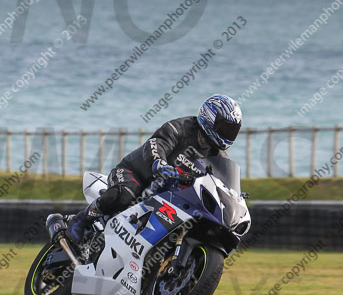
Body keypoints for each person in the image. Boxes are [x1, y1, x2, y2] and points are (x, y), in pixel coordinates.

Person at [67, 94, 242, 245]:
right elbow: (156, 143)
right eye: (225, 128)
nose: (228, 134)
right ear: (209, 117)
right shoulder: (181, 127)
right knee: (126, 193)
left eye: (232, 130)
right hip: (136, 174)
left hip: (169, 193)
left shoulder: (219, 155)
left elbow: (221, 178)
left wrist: (233, 195)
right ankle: (80, 220)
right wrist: (159, 162)